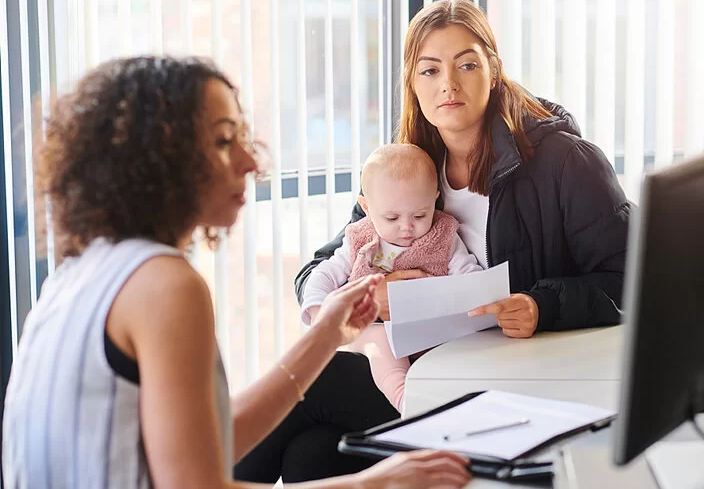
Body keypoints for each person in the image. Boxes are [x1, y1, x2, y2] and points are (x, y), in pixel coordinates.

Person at [1, 56, 472, 489]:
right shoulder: (164, 285)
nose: (252, 162)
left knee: (314, 451)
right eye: (225, 141)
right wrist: (377, 484)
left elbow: (206, 443)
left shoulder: (82, 272)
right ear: (161, 161)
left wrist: (328, 332)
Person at [237, 0, 631, 484]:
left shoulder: (565, 164)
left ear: (494, 69)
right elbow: (325, 264)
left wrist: (540, 305)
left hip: (512, 384)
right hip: (428, 371)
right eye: (429, 70)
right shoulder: (410, 166)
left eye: (466, 64)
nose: (448, 84)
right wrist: (367, 299)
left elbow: (633, 280)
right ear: (412, 83)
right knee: (312, 455)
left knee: (315, 385)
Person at [301, 143, 482, 411]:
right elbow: (323, 274)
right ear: (367, 206)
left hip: (430, 333)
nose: (407, 227)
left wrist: (471, 298)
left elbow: (469, 276)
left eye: (420, 215)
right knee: (380, 342)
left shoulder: (444, 236)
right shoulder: (360, 238)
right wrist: (319, 312)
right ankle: (403, 398)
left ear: (435, 199)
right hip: (375, 331)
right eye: (392, 217)